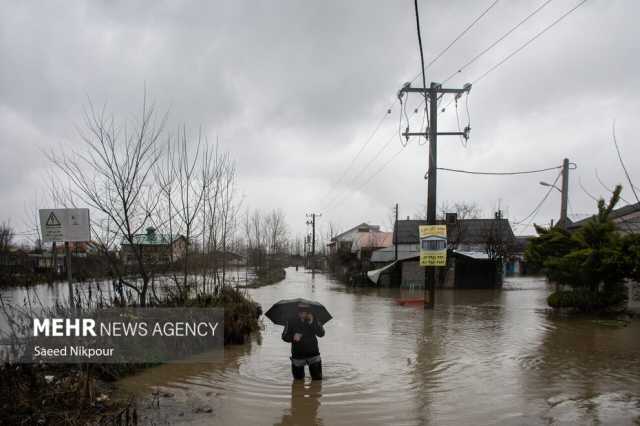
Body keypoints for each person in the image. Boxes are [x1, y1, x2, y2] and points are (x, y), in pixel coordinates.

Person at [281, 305, 325, 380]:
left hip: (313, 354)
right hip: (297, 356)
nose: (301, 314)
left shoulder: (314, 319)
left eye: (304, 312)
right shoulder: (290, 321)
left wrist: (312, 322)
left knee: (318, 380)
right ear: (297, 312)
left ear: (308, 312)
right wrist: (293, 337)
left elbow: (321, 334)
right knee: (298, 382)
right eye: (300, 311)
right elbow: (284, 336)